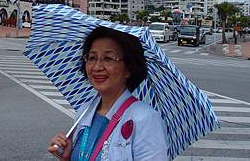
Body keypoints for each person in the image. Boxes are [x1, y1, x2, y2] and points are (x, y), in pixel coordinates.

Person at [47, 26, 168, 160]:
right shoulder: (84, 112)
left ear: (129, 68)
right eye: (92, 58)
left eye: (108, 58)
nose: (97, 67)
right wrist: (67, 158)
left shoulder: (145, 119)